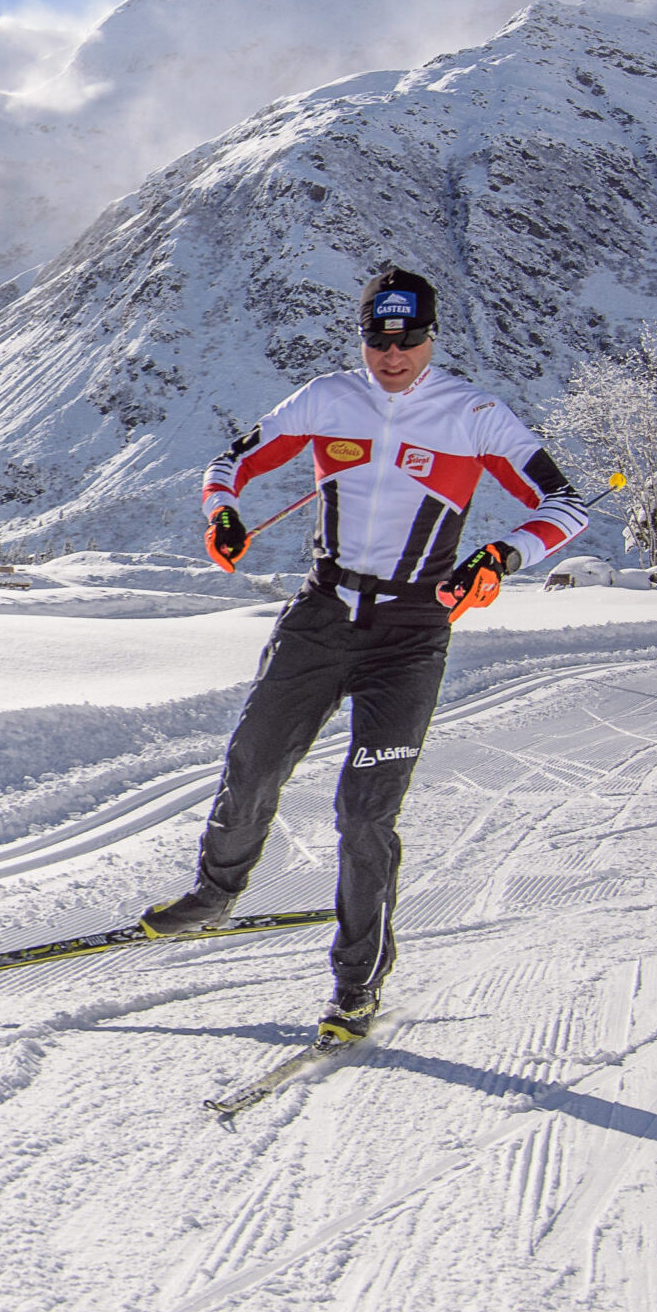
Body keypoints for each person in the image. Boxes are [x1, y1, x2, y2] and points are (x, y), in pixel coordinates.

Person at [140, 266, 587, 1045]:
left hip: (412, 631)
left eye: (407, 340)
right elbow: (227, 464)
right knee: (252, 759)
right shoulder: (326, 397)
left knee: (363, 813)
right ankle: (214, 893)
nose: (391, 356)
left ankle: (355, 985)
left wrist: (500, 557)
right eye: (378, 341)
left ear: (430, 338)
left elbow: (566, 504)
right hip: (321, 611)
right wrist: (223, 515)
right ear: (362, 339)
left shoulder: (472, 414)